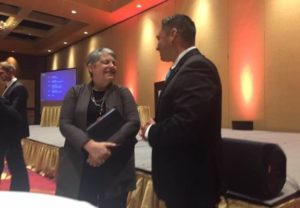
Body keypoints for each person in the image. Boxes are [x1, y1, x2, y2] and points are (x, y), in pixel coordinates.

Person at [140, 14, 223, 208]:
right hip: (183, 183)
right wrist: (157, 122)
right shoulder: (183, 68)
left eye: (158, 38)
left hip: (192, 187)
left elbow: (187, 126)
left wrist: (150, 131)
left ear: (173, 35)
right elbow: (182, 114)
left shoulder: (197, 67)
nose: (156, 46)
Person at [56, 48, 140, 208]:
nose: (112, 66)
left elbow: (133, 122)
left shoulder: (123, 92)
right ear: (91, 67)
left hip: (114, 163)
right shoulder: (75, 92)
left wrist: (104, 149)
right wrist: (90, 145)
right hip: (80, 163)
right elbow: (65, 123)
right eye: (106, 61)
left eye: (114, 63)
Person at [0, 61, 30, 191]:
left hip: (12, 133)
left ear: (10, 72)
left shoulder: (19, 87)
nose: (0, 75)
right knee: (15, 163)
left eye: (1, 72)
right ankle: (20, 189)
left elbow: (15, 113)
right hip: (7, 133)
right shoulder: (9, 87)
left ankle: (21, 190)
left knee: (16, 163)